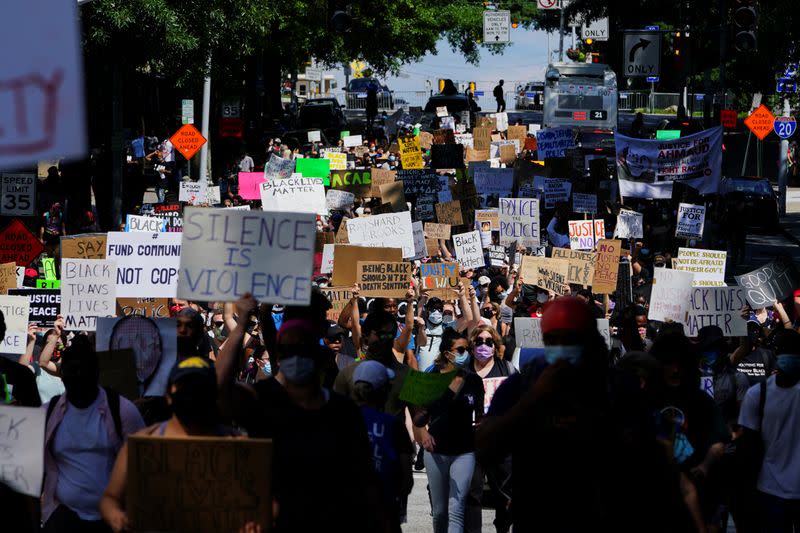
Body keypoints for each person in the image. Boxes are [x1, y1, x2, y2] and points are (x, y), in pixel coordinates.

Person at [217, 294, 388, 532]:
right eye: (288, 350)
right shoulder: (262, 399)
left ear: (322, 356)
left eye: (303, 348)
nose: (295, 356)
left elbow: (364, 480)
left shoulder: (342, 412)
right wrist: (243, 321)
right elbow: (221, 391)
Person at [99, 357, 240, 533]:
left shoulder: (236, 445)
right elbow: (110, 498)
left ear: (213, 394)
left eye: (200, 387)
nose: (192, 393)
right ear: (168, 394)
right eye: (184, 387)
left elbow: (262, 501)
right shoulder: (142, 443)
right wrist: (116, 516)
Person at [41, 336, 145, 533]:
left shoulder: (122, 411)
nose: (77, 376)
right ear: (62, 375)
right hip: (64, 517)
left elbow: (143, 464)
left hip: (113, 521)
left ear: (96, 373)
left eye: (83, 370)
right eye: (71, 371)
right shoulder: (49, 412)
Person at [413, 328, 484, 533]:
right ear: (447, 353)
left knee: (456, 507)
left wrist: (484, 426)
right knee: (440, 511)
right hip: (436, 452)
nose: (466, 353)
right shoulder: (429, 376)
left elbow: (480, 415)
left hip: (464, 451)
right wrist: (423, 433)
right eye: (461, 349)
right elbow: (416, 416)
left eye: (468, 349)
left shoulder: (474, 380)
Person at [738, 329, 800, 533]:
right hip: (769, 491)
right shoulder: (757, 395)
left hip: (770, 490)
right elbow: (748, 448)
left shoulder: (756, 395)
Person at [352, 360, 414, 533]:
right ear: (384, 390)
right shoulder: (394, 426)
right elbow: (406, 480)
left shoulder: (341, 421)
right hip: (385, 513)